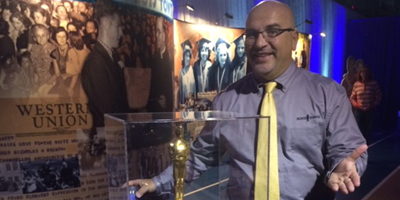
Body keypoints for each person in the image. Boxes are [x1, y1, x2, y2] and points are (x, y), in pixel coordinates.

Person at [126, 1, 368, 200]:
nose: (260, 43)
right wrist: (158, 182)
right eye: (251, 34)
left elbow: (347, 150)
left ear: (293, 39)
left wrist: (342, 167)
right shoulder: (227, 100)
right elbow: (200, 156)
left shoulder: (327, 94)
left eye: (273, 31)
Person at [81, 0, 130, 138]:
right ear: (106, 24)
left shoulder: (112, 56)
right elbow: (110, 112)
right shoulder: (96, 63)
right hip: (107, 142)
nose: (121, 33)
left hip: (116, 137)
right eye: (118, 26)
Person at [147, 15, 173, 112]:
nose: (156, 36)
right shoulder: (154, 59)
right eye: (156, 32)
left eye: (159, 32)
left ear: (165, 34)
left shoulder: (170, 59)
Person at [350, 66, 382, 144]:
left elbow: (379, 95)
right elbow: (352, 97)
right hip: (359, 109)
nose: (364, 73)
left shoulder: (373, 84)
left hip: (369, 109)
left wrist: (373, 104)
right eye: (363, 72)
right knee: (358, 127)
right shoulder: (357, 84)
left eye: (366, 72)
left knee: (368, 129)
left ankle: (366, 143)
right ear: (360, 73)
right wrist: (356, 104)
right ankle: (358, 143)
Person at [178, 39, 196, 105]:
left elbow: (194, 88)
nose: (188, 58)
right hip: (183, 105)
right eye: (186, 56)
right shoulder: (181, 72)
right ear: (183, 57)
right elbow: (180, 91)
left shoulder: (192, 69)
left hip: (192, 104)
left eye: (189, 56)